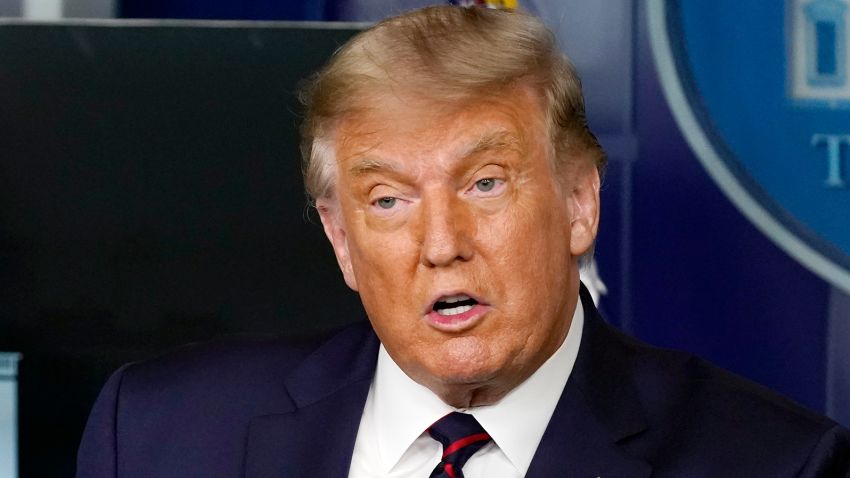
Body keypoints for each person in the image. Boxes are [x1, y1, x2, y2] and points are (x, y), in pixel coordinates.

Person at [77, 5, 850, 477]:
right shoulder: (156, 436)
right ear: (342, 240)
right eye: (388, 200)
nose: (441, 243)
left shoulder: (773, 464)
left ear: (580, 203)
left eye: (485, 184)